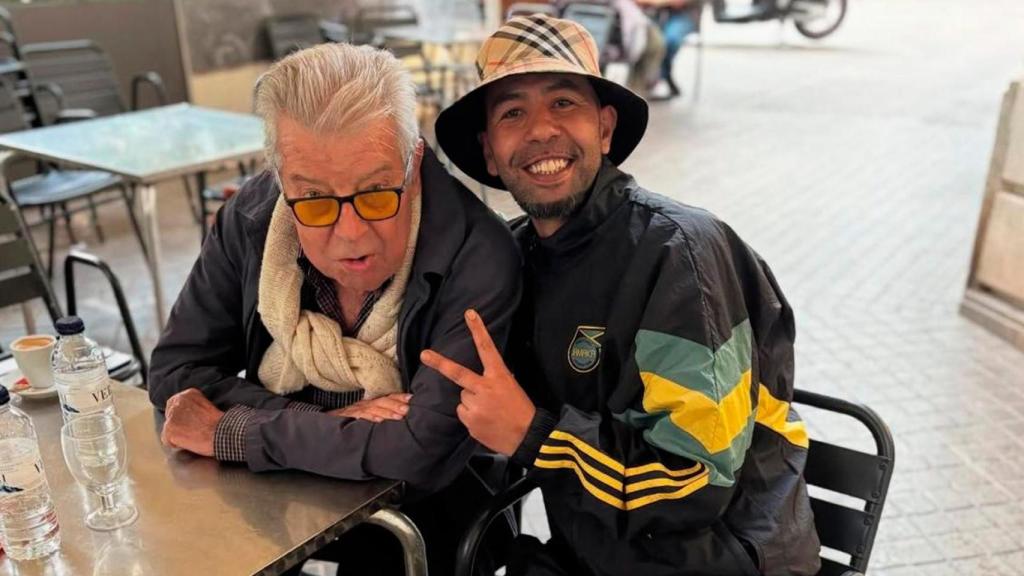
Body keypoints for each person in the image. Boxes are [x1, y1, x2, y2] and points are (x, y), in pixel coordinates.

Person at [428, 14, 820, 575]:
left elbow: (696, 479)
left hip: (719, 557)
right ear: (490, 152)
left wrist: (533, 435)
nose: (540, 130)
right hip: (599, 550)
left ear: (605, 128)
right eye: (513, 112)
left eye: (563, 102)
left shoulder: (677, 255)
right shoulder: (515, 256)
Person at [148, 43, 520, 575]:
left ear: (412, 161)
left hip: (418, 517)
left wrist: (235, 430)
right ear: (281, 179)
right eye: (315, 200)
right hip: (269, 491)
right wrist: (317, 420)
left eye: (375, 193)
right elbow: (176, 372)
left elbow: (421, 453)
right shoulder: (251, 222)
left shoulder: (478, 253)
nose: (350, 235)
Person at [637, 0, 701, 99]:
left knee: (669, 40)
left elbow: (678, 3)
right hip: (652, 14)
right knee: (640, 38)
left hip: (683, 15)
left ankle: (658, 78)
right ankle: (651, 79)